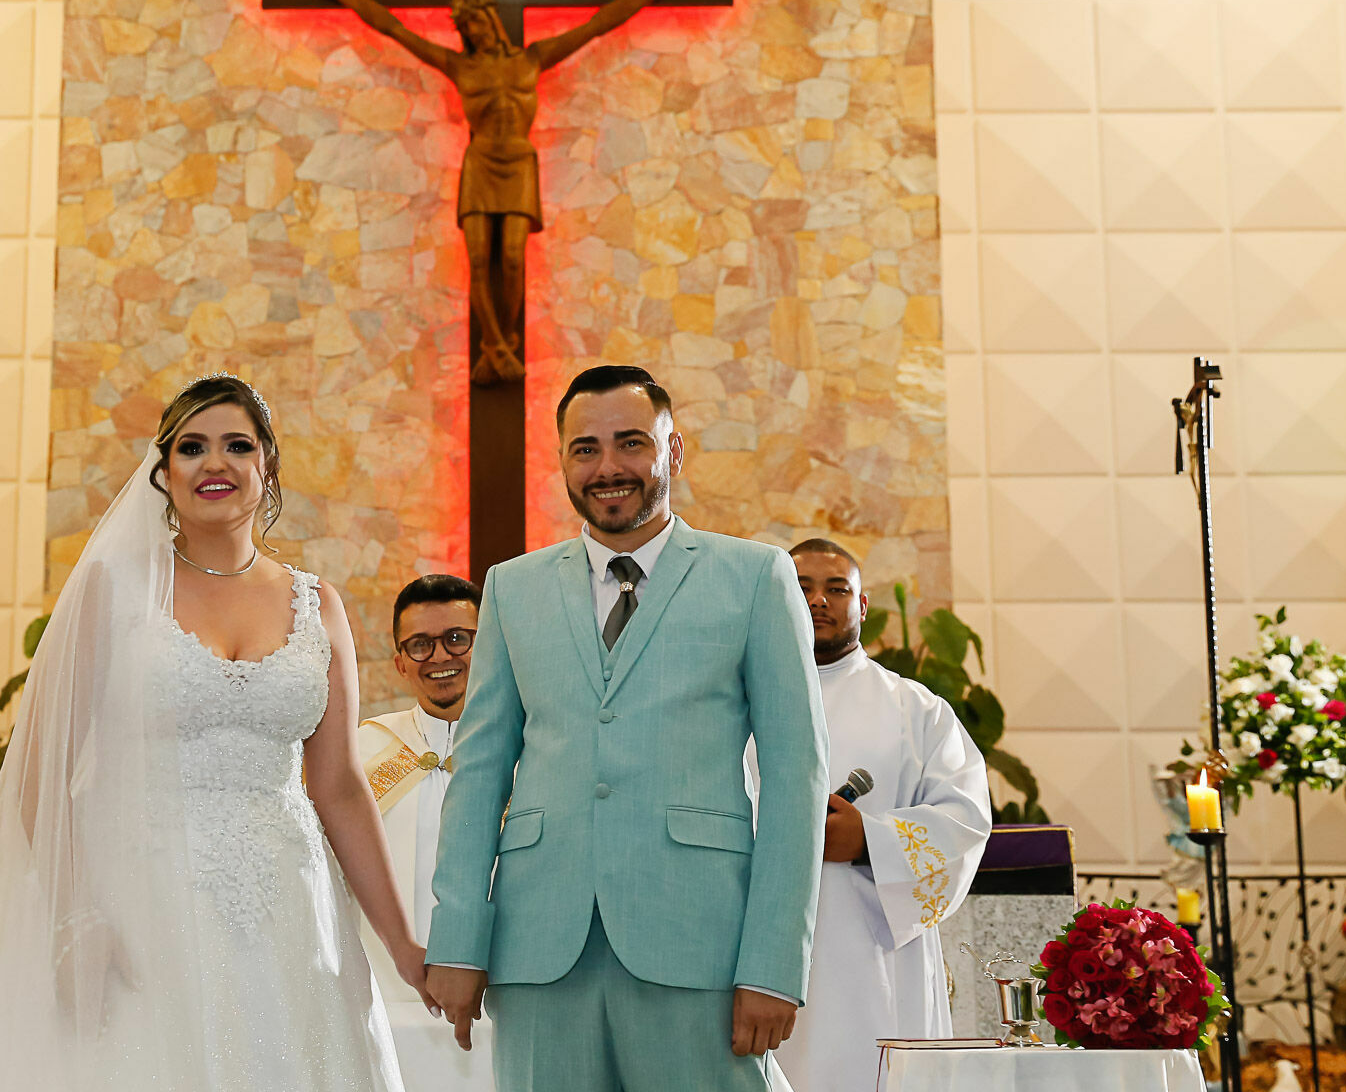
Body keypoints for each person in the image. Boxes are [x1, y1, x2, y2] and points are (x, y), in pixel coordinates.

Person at [0, 374, 428, 1091]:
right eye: (191, 447)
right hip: (140, 899)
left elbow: (338, 787)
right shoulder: (114, 590)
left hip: (287, 904)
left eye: (238, 445)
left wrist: (400, 944)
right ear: (163, 472)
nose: (215, 464)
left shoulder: (317, 603)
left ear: (267, 467)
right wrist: (74, 914)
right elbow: (43, 771)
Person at [424, 364, 824, 1092]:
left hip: (698, 942)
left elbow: (797, 782)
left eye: (631, 443)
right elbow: (478, 772)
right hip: (540, 948)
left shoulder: (754, 578)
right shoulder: (513, 588)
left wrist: (773, 964)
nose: (608, 468)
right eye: (585, 449)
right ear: (563, 461)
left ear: (673, 451)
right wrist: (457, 942)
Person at [293, 0, 701, 384]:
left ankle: (502, 341)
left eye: (479, 22)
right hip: (482, 160)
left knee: (509, 258)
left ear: (492, 19)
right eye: (466, 27)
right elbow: (393, 29)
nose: (475, 31)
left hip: (519, 160)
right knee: (476, 258)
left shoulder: (532, 60)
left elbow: (598, 24)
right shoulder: (460, 66)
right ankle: (495, 346)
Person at [771, 538, 992, 1092]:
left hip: (873, 951)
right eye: (801, 588)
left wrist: (868, 841)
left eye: (836, 588)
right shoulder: (737, 703)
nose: (818, 600)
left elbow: (965, 820)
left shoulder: (915, 710)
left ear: (863, 606)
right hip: (761, 953)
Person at [356, 574, 496, 1091]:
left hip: (504, 1007)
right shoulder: (359, 754)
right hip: (382, 1006)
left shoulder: (536, 750)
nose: (441, 655)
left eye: (459, 638)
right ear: (399, 661)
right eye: (419, 644)